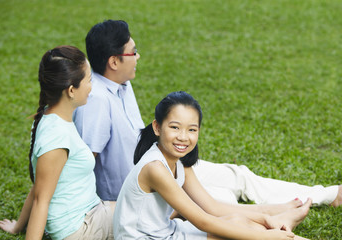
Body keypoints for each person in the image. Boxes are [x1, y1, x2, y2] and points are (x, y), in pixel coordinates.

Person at [73, 19, 342, 206]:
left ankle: (330, 195)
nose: (138, 57)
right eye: (133, 52)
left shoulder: (121, 83)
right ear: (113, 61)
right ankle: (276, 218)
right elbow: (85, 164)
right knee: (222, 198)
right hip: (143, 191)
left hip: (166, 167)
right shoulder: (95, 100)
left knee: (239, 176)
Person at [113, 91, 311, 240]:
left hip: (167, 231)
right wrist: (265, 236)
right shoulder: (154, 167)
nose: (183, 137)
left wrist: (265, 220)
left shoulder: (178, 161)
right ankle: (283, 230)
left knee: (237, 222)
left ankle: (279, 225)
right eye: (174, 127)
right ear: (157, 127)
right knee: (234, 234)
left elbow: (212, 207)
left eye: (192, 129)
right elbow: (203, 220)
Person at [0, 46, 114, 240]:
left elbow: (39, 185)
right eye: (89, 80)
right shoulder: (57, 137)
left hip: (90, 213)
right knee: (154, 209)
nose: (91, 87)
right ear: (71, 90)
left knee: (150, 205)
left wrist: (18, 226)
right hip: (81, 228)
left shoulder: (53, 118)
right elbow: (40, 200)